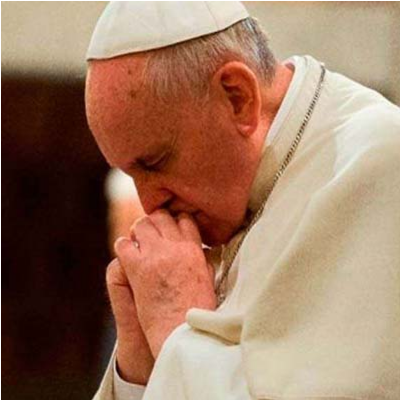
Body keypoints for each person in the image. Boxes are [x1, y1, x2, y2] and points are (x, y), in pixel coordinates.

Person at [85, 2, 400, 399]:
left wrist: (177, 330)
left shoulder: (377, 167)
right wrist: (139, 372)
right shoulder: (234, 199)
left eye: (156, 162)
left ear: (237, 97)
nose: (149, 206)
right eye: (131, 176)